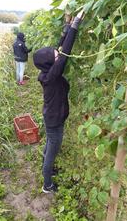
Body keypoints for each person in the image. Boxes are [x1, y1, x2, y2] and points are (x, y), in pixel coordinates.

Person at [33, 10, 85, 193]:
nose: (57, 54)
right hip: (55, 120)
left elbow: (60, 50)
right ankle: (47, 184)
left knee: (50, 143)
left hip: (52, 117)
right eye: (54, 55)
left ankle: (47, 167)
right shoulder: (52, 76)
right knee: (53, 148)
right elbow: (65, 54)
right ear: (50, 63)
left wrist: (67, 25)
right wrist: (76, 24)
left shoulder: (48, 73)